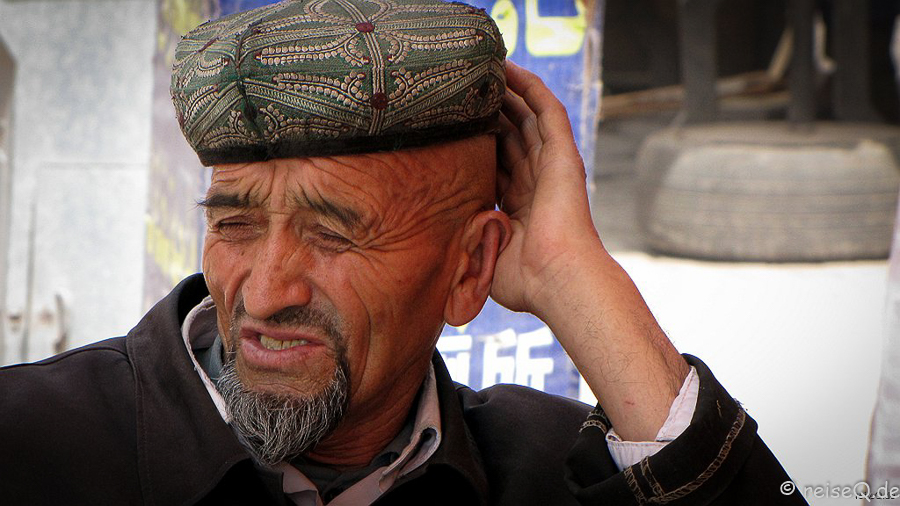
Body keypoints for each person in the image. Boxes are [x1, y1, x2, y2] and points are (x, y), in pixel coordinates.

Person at [0, 0, 806, 504]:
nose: (266, 292)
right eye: (235, 224)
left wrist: (571, 274)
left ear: (469, 268)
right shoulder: (32, 445)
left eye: (332, 232)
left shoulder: (552, 471)